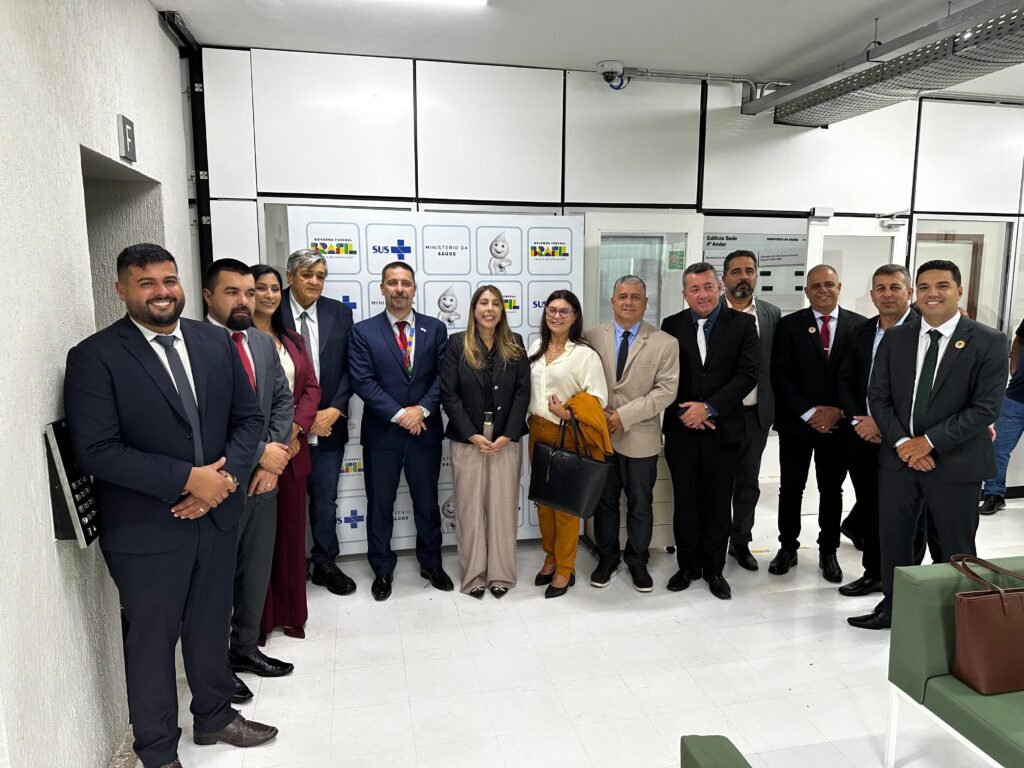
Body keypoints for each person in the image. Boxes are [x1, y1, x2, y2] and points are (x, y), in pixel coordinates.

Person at [64, 244, 276, 768]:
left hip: (218, 514)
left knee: (210, 623)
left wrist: (222, 481)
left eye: (169, 280)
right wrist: (187, 480)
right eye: (147, 283)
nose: (162, 292)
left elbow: (248, 420)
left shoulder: (214, 341)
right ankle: (157, 751)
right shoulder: (94, 357)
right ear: (121, 290)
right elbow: (96, 450)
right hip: (147, 528)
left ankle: (215, 716)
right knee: (152, 641)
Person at [852, 259, 1007, 630]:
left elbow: (985, 408)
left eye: (942, 286)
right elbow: (878, 396)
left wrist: (929, 443)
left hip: (956, 461)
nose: (932, 293)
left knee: (954, 544)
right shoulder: (896, 338)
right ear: (916, 294)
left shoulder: (988, 341)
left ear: (959, 291)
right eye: (924, 287)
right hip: (899, 460)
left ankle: (956, 617)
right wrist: (904, 443)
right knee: (895, 539)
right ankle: (895, 607)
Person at [202, 259, 296, 701]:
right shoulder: (195, 344)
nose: (244, 301)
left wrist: (271, 461)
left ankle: (244, 649)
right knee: (217, 580)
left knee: (255, 570)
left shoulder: (260, 341)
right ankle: (215, 667)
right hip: (219, 482)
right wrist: (260, 453)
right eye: (232, 292)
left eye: (249, 293)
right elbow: (207, 416)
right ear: (208, 296)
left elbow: (281, 400)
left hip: (264, 482)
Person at [349, 261, 453, 601]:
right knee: (380, 504)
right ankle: (382, 569)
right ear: (382, 288)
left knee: (427, 502)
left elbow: (443, 377)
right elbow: (362, 381)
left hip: (425, 432)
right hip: (382, 434)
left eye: (405, 283)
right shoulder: (363, 331)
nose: (399, 289)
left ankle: (431, 564)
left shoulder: (435, 328)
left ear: (414, 288)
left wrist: (420, 410)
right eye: (392, 283)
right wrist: (400, 415)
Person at [661, 263, 759, 599]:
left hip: (724, 430)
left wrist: (710, 408)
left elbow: (747, 375)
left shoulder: (743, 324)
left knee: (718, 503)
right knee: (686, 501)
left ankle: (714, 569)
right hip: (682, 430)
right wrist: (687, 412)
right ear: (684, 294)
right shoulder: (671, 325)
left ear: (719, 288)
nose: (702, 295)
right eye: (694, 289)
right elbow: (666, 378)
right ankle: (687, 566)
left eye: (707, 287)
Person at [769, 264, 866, 584]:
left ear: (839, 287)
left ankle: (828, 550)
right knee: (791, 488)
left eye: (829, 284)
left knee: (831, 489)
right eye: (815, 286)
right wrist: (809, 413)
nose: (823, 290)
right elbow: (780, 374)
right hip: (797, 424)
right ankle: (787, 547)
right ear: (806, 291)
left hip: (838, 426)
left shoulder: (859, 326)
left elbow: (860, 377)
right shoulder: (789, 325)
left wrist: (839, 411)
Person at [583, 276, 679, 591]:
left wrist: (622, 417)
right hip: (600, 436)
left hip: (641, 436)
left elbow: (665, 391)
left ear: (645, 303)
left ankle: (638, 562)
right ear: (612, 301)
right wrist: (600, 417)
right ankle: (607, 558)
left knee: (640, 505)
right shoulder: (591, 336)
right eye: (622, 296)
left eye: (635, 296)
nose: (628, 302)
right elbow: (582, 381)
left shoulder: (665, 342)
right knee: (605, 504)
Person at [440, 285, 531, 598]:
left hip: (506, 437)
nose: (489, 309)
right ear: (473, 309)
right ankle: (474, 576)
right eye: (483, 303)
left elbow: (522, 392)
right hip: (468, 438)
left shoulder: (515, 344)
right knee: (470, 508)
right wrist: (471, 433)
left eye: (495, 303)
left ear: (502, 310)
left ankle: (501, 574)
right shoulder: (457, 344)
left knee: (503, 507)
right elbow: (448, 393)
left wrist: (508, 434)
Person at [251, 264, 323, 641]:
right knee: (257, 544)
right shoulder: (236, 339)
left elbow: (311, 389)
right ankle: (258, 621)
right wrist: (274, 442)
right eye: (259, 288)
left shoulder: (292, 339)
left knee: (292, 538)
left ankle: (292, 613)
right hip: (255, 457)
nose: (268, 295)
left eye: (274, 288)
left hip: (293, 452)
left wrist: (295, 430)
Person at [837, 264, 915, 599]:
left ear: (909, 292)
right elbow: (844, 380)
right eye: (880, 288)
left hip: (906, 440)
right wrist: (859, 421)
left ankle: (905, 584)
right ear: (872, 295)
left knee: (907, 514)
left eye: (895, 287)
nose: (887, 294)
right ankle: (874, 573)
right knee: (870, 507)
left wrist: (885, 425)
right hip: (864, 436)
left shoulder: (922, 332)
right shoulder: (861, 331)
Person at [281, 248, 356, 596]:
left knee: (325, 500)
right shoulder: (271, 310)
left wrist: (335, 409)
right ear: (290, 276)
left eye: (321, 276)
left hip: (328, 425)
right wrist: (300, 419)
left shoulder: (339, 313)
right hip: (284, 430)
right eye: (307, 275)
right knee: (286, 502)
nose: (315, 282)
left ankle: (325, 563)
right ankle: (288, 567)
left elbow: (351, 367)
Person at [527, 290, 611, 598]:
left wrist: (568, 412)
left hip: (567, 434)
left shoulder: (584, 354)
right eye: (551, 310)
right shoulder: (536, 347)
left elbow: (598, 398)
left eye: (564, 311)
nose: (556, 316)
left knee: (565, 507)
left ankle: (565, 567)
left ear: (575, 317)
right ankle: (550, 557)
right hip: (537, 433)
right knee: (544, 502)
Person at [719, 250, 781, 571]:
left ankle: (740, 541)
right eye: (736, 271)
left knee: (748, 483)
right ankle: (714, 541)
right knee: (718, 483)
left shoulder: (771, 314)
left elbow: (777, 365)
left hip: (756, 415)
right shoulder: (711, 312)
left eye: (749, 270)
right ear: (724, 278)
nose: (743, 277)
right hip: (719, 416)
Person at [979, 317, 1024, 514]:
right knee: (998, 448)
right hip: (1016, 398)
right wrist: (1014, 367)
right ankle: (994, 494)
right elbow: (1019, 339)